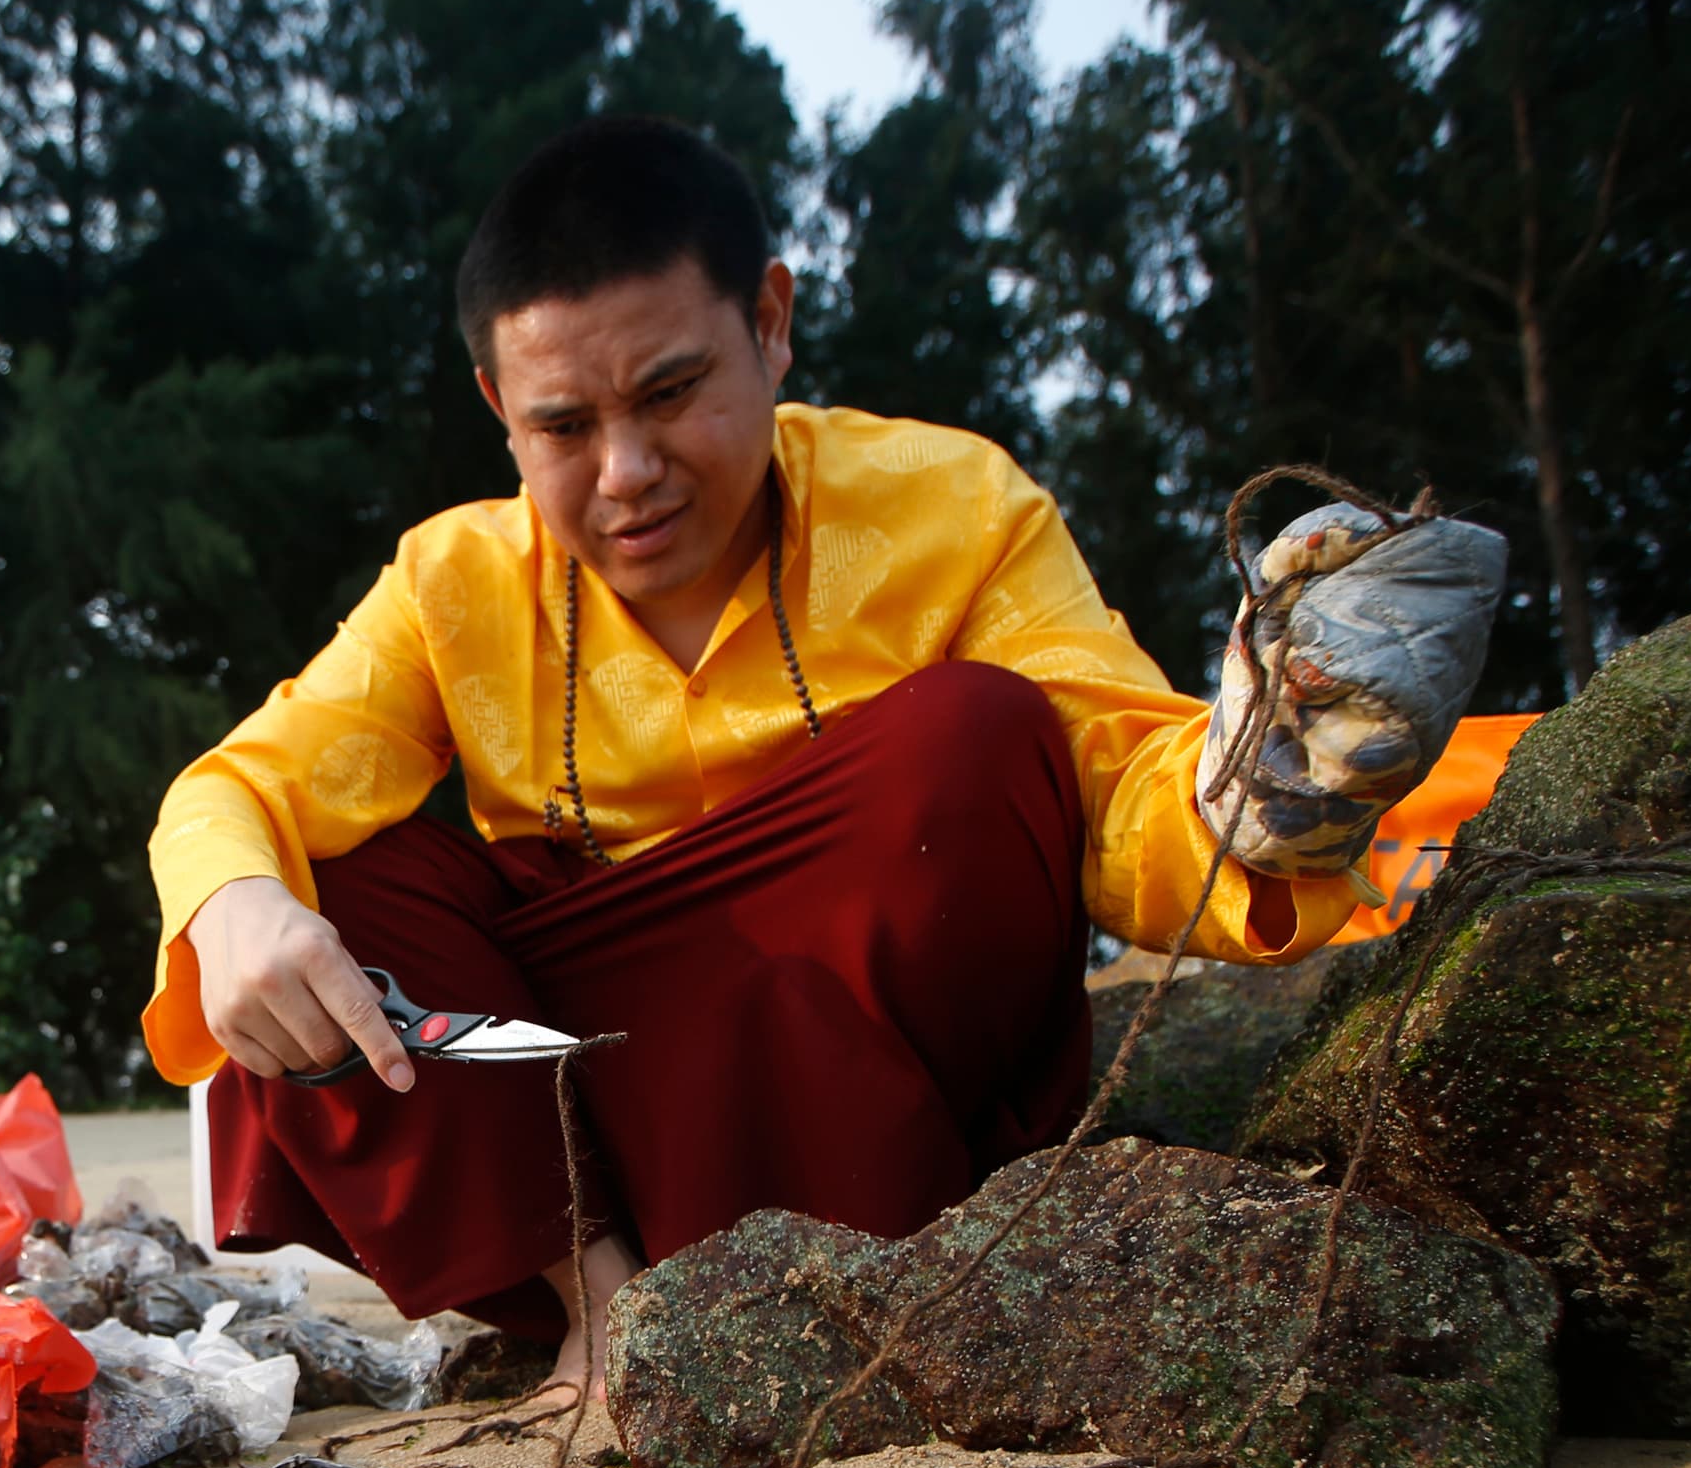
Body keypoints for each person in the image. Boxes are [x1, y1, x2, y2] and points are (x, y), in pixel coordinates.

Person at [143, 116, 1499, 1393]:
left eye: (671, 392)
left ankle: (844, 1285)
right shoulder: (451, 580)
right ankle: (608, 1317)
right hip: (594, 1147)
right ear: (500, 405)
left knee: (975, 739)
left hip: (863, 1112)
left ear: (772, 326)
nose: (625, 472)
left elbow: (1109, 770)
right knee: (315, 881)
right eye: (563, 426)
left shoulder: (951, 504)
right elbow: (235, 786)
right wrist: (242, 902)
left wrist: (1259, 780)